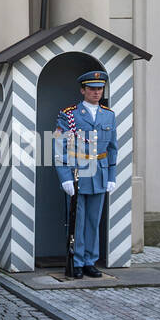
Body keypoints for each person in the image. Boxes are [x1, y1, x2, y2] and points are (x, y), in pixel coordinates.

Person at [54, 69, 117, 279]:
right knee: (77, 221)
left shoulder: (109, 115)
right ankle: (77, 261)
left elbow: (112, 149)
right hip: (77, 173)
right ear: (83, 90)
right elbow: (58, 148)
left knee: (93, 220)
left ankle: (91, 261)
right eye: (92, 88)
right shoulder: (69, 115)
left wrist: (112, 176)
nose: (96, 92)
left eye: (100, 89)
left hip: (99, 172)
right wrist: (64, 177)